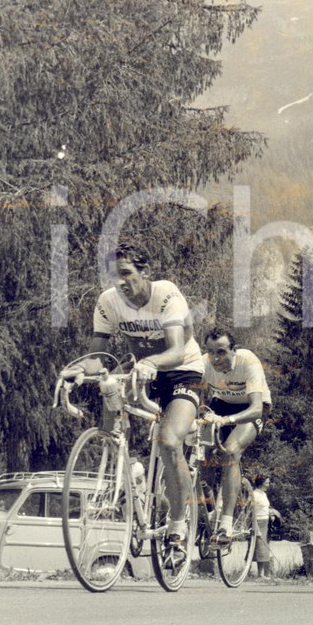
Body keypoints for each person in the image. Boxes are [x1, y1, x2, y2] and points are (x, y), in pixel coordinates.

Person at [64, 240, 203, 568]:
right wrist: (75, 370)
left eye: (127, 273)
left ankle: (178, 529)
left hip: (183, 372)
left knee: (169, 442)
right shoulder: (108, 302)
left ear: (145, 272)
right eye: (115, 276)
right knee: (108, 389)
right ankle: (125, 474)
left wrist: (151, 363)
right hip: (141, 369)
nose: (120, 282)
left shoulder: (167, 294)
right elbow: (97, 357)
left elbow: (176, 351)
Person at [199, 327, 272, 546]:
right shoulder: (204, 363)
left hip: (252, 408)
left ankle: (226, 525)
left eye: (221, 352)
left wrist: (227, 421)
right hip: (221, 405)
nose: (216, 358)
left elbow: (257, 407)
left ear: (234, 350)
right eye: (211, 352)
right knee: (201, 452)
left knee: (230, 451)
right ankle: (208, 512)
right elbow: (198, 398)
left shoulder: (248, 361)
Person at [251, 472, 276, 580]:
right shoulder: (254, 494)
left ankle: (265, 574)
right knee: (260, 548)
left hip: (265, 523)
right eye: (267, 482)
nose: (268, 484)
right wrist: (256, 528)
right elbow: (252, 512)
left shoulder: (263, 494)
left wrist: (270, 513)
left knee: (265, 549)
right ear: (261, 483)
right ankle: (260, 575)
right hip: (258, 522)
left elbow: (265, 507)